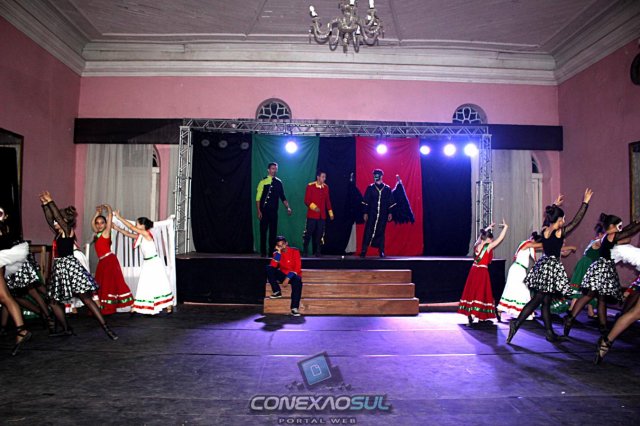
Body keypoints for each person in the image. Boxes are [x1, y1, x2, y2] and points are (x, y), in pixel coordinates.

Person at [507, 190, 593, 343]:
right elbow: (576, 221)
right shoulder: (559, 232)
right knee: (538, 299)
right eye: (563, 218)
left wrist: (554, 205)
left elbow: (550, 219)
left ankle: (549, 333)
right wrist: (585, 203)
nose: (564, 221)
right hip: (551, 268)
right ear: (559, 220)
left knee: (546, 301)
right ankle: (517, 323)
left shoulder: (545, 229)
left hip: (544, 266)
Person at [39, 191, 118, 340]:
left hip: (70, 267)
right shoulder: (58, 231)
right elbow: (50, 218)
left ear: (64, 221)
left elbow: (56, 217)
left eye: (57, 220)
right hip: (60, 269)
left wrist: (51, 201)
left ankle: (106, 328)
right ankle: (66, 329)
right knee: (53, 301)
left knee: (86, 298)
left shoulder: (67, 230)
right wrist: (44, 204)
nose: (54, 222)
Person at [564, 214, 640, 337]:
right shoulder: (610, 236)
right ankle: (574, 319)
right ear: (612, 226)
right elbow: (628, 233)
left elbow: (626, 232)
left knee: (599, 298)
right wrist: (636, 225)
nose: (620, 228)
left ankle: (600, 327)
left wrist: (634, 223)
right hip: (601, 269)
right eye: (619, 226)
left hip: (602, 269)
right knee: (592, 296)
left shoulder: (609, 235)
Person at [112, 211, 174, 315]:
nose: (136, 225)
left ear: (143, 225)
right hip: (148, 263)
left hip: (154, 262)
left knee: (158, 283)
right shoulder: (141, 235)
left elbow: (131, 227)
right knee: (146, 284)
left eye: (137, 224)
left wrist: (119, 217)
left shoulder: (146, 233)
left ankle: (167, 303)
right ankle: (139, 306)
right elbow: (128, 233)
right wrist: (117, 228)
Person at [458, 220, 508, 324]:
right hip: (482, 271)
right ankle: (474, 314)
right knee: (480, 292)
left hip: (474, 270)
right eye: (491, 239)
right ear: (488, 239)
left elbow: (480, 237)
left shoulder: (477, 245)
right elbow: (500, 239)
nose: (492, 241)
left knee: (474, 291)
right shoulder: (487, 247)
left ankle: (479, 315)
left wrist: (488, 228)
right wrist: (505, 227)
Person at [91, 204, 134, 314]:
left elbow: (110, 218)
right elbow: (92, 223)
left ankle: (131, 304)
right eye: (98, 223)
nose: (99, 225)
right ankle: (104, 306)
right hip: (102, 262)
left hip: (109, 261)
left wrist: (109, 209)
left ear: (106, 224)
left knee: (116, 282)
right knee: (102, 284)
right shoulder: (97, 233)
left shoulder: (106, 232)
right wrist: (97, 213)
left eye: (102, 223)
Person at [0, 205, 32, 355]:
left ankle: (21, 330)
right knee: (4, 297)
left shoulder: (3, 227)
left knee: (4, 297)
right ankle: (21, 330)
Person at [497, 232, 542, 320]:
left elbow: (540, 247)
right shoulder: (526, 243)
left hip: (518, 270)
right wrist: (550, 242)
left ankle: (502, 309)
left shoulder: (528, 245)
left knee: (514, 290)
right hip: (518, 270)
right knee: (522, 290)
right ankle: (525, 312)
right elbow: (540, 245)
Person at [256, 162, 292, 257]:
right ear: (268, 170)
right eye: (272, 168)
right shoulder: (263, 181)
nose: (274, 170)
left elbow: (282, 196)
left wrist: (288, 207)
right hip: (264, 211)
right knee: (263, 232)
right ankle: (263, 252)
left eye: (275, 169)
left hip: (273, 212)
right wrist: (259, 211)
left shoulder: (279, 182)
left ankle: (271, 252)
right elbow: (258, 198)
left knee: (273, 233)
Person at [359, 169, 396, 258]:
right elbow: (366, 201)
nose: (375, 177)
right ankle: (364, 250)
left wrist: (390, 213)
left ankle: (381, 250)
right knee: (368, 231)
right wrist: (365, 213)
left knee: (381, 231)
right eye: (374, 175)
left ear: (381, 176)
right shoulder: (370, 188)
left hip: (383, 214)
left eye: (377, 175)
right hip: (372, 213)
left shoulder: (387, 189)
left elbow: (390, 202)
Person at [266, 236, 303, 316]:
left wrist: (288, 278)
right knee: (269, 268)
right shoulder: (277, 254)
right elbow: (273, 265)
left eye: (283, 244)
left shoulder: (295, 251)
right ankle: (277, 291)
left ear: (286, 243)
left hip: (293, 275)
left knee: (298, 281)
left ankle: (294, 308)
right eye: (279, 246)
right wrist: (279, 252)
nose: (282, 247)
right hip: (283, 274)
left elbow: (297, 268)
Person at [303, 170, 334, 257]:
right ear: (318, 177)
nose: (324, 178)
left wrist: (330, 213)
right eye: (323, 177)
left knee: (320, 234)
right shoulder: (310, 186)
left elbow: (327, 201)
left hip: (322, 216)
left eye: (325, 177)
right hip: (312, 215)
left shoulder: (326, 187)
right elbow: (306, 200)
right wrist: (314, 207)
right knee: (308, 233)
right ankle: (305, 250)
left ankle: (318, 251)